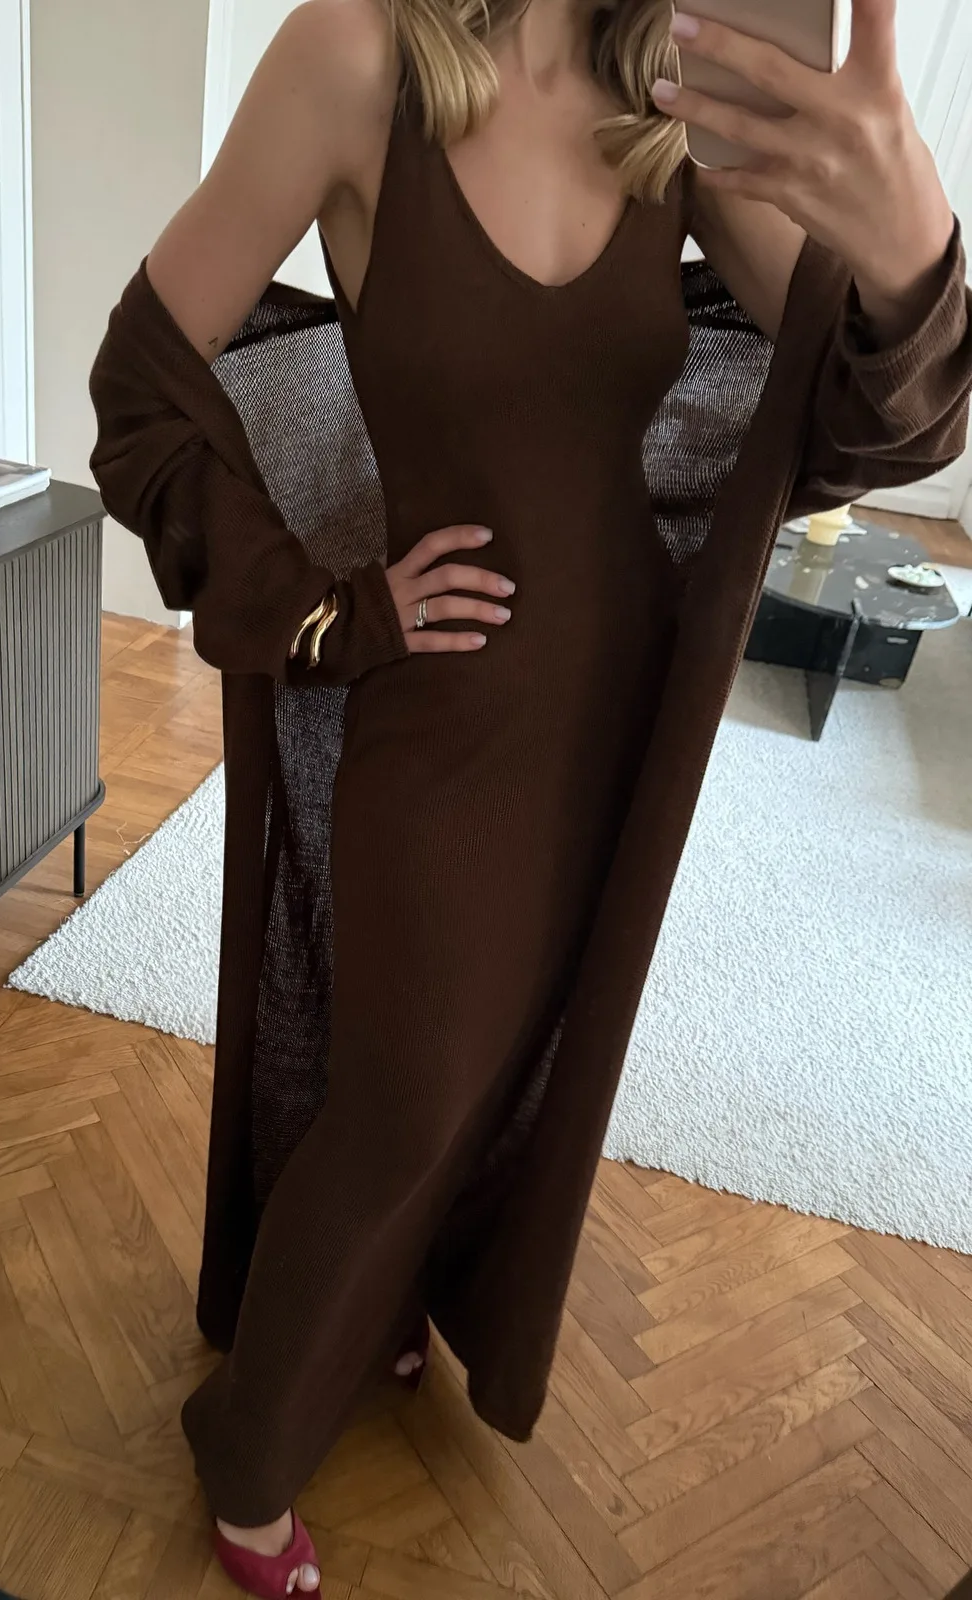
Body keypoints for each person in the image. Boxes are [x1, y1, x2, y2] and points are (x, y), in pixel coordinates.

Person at [89, 0, 972, 1592]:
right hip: (441, 715)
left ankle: (386, 1303)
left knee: (506, 1065)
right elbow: (140, 387)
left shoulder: (678, 96)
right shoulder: (355, 60)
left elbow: (856, 423)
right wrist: (324, 613)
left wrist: (912, 254)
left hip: (621, 714)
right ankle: (248, 1454)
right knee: (405, 1095)